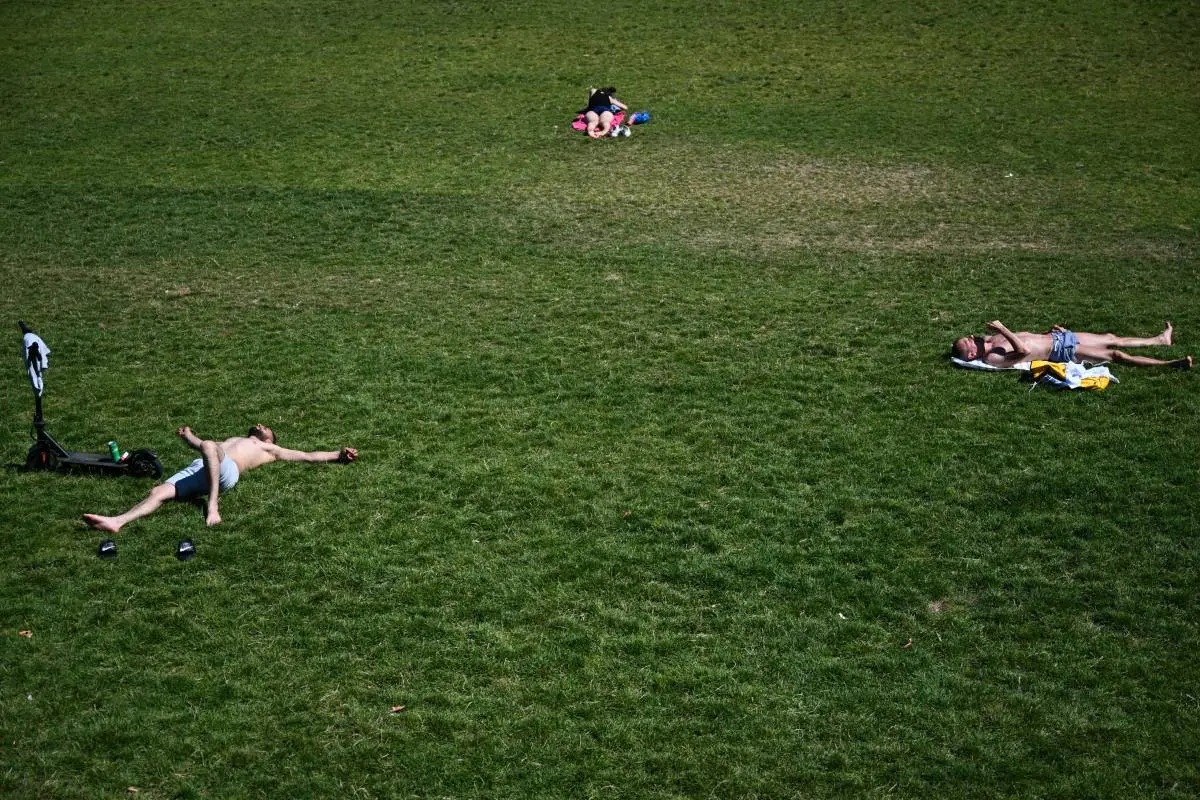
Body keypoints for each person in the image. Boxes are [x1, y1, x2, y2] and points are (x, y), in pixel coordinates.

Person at [83, 424, 358, 533]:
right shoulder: (237, 437)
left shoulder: (269, 449)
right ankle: (117, 521)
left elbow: (308, 456)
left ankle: (212, 504)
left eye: (266, 427)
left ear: (271, 439)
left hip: (227, 473)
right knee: (157, 492)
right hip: (200, 466)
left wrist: (338, 454)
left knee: (208, 445)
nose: (261, 425)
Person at [952, 320, 1192, 369]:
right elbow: (1024, 350)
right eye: (968, 342)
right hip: (1061, 351)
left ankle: (1160, 340)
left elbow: (1028, 336)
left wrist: (1048, 331)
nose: (972, 338)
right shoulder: (992, 357)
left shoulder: (992, 340)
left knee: (1110, 336)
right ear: (972, 355)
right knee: (1116, 354)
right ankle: (1170, 364)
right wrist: (1004, 328)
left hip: (1057, 338)